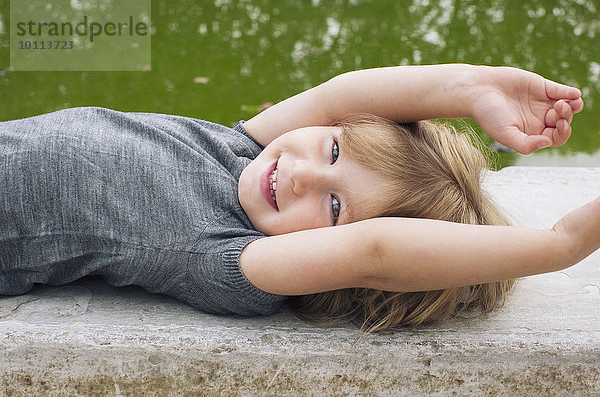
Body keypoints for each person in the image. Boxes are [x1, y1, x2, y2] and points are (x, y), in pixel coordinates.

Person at [0, 64, 596, 333]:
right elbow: (348, 92)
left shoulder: (232, 259)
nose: (304, 176)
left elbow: (377, 249)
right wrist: (470, 87)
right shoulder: (245, 149)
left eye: (334, 208)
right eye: (334, 150)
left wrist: (558, 245)